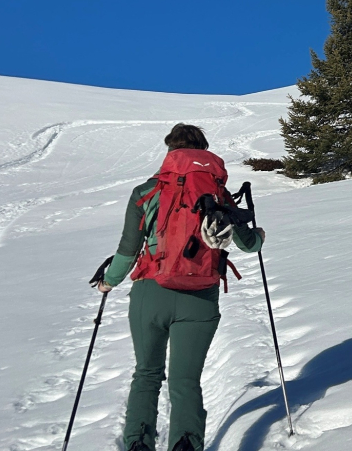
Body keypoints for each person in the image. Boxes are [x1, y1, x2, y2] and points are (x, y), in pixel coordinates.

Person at [97, 123, 264, 451]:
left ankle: (138, 443)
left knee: (147, 374)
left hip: (150, 293)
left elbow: (128, 251)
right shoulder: (217, 192)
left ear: (170, 151)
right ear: (203, 152)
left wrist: (108, 282)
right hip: (200, 297)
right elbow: (249, 245)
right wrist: (258, 235)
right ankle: (186, 443)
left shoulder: (146, 192)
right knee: (185, 381)